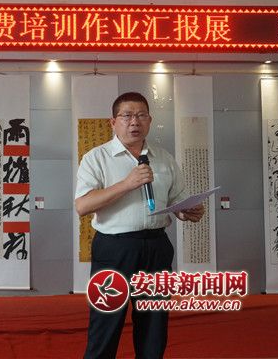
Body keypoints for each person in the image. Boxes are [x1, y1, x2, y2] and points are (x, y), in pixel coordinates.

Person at [75, 92, 204, 359]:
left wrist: (187, 211)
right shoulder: (96, 158)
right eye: (127, 116)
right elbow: (83, 206)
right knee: (105, 324)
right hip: (114, 250)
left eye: (141, 115)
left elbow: (176, 200)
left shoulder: (164, 158)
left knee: (154, 326)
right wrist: (127, 184)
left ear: (150, 120)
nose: (134, 122)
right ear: (113, 122)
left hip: (156, 247)